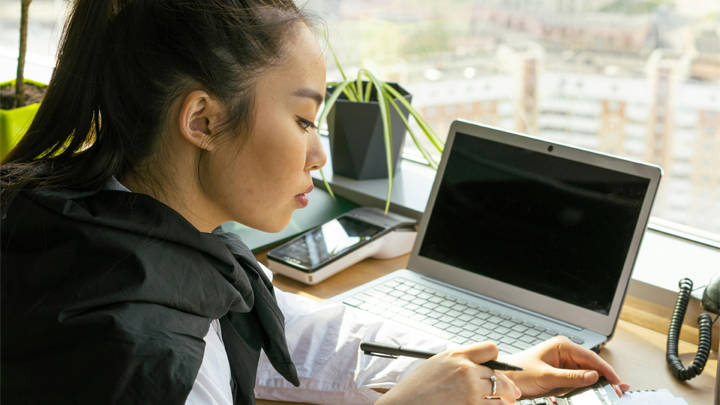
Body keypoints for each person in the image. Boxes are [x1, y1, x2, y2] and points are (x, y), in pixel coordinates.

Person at [0, 0, 630, 404]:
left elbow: (277, 321)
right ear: (203, 120)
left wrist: (487, 366)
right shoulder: (155, 364)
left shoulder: (82, 212)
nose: (319, 154)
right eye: (304, 119)